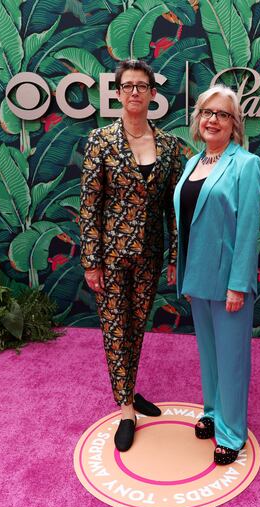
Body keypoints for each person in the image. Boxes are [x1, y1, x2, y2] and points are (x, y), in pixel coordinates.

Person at [80, 59, 182, 451]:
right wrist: (91, 260)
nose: (135, 92)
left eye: (142, 86)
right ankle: (126, 407)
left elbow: (172, 208)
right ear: (118, 93)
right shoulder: (100, 141)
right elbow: (89, 205)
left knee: (136, 325)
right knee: (114, 327)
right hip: (109, 254)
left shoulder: (170, 146)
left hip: (149, 254)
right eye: (128, 86)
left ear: (153, 94)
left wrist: (174, 257)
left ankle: (130, 389)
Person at [174, 85, 260, 465]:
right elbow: (187, 222)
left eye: (223, 114)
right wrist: (185, 273)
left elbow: (247, 229)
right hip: (198, 277)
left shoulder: (246, 164)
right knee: (209, 354)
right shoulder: (192, 163)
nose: (213, 119)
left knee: (231, 358)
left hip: (229, 282)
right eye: (207, 112)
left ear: (234, 124)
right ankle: (212, 412)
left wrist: (239, 285)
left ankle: (231, 432)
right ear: (198, 119)